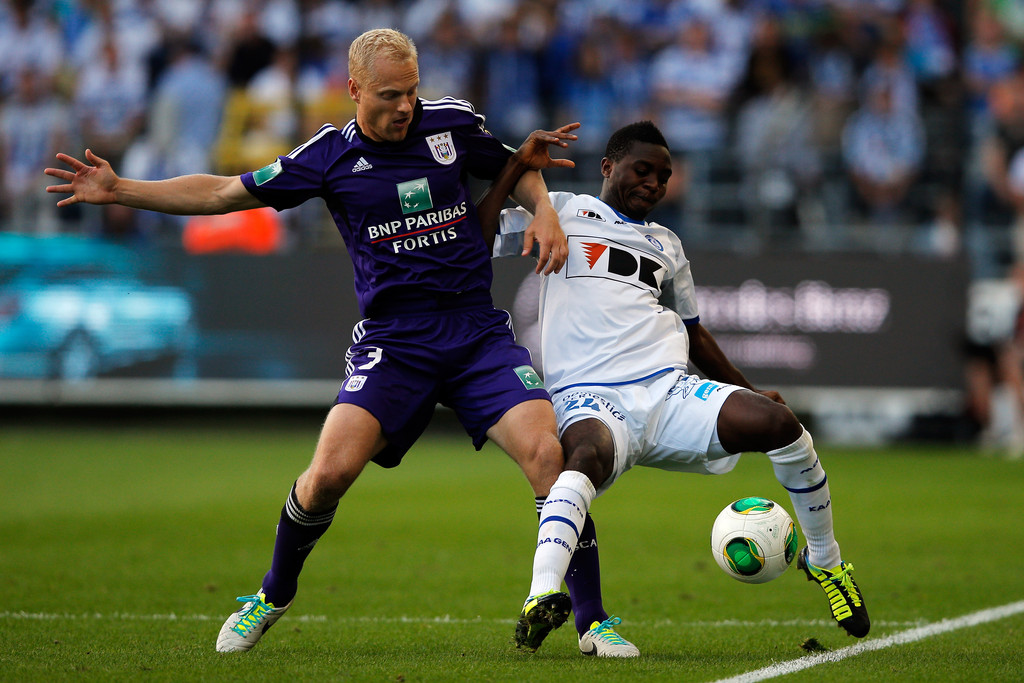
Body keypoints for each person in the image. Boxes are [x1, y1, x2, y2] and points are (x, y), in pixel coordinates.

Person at [46, 28, 585, 655]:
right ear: (354, 89)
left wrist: (543, 208)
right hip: (394, 342)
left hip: (474, 332)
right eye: (389, 94)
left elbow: (515, 166)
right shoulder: (329, 155)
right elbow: (224, 192)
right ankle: (271, 595)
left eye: (411, 91)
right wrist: (121, 190)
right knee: (327, 475)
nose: (405, 106)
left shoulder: (452, 125)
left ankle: (590, 621)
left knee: (550, 459)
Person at [479, 120, 871, 656]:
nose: (655, 184)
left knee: (783, 427)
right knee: (583, 458)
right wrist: (515, 169)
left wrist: (750, 390)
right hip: (593, 396)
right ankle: (542, 596)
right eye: (644, 170)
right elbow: (478, 234)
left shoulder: (666, 244)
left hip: (670, 392)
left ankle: (826, 562)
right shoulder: (561, 211)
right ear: (608, 167)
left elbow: (691, 329)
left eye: (664, 177)